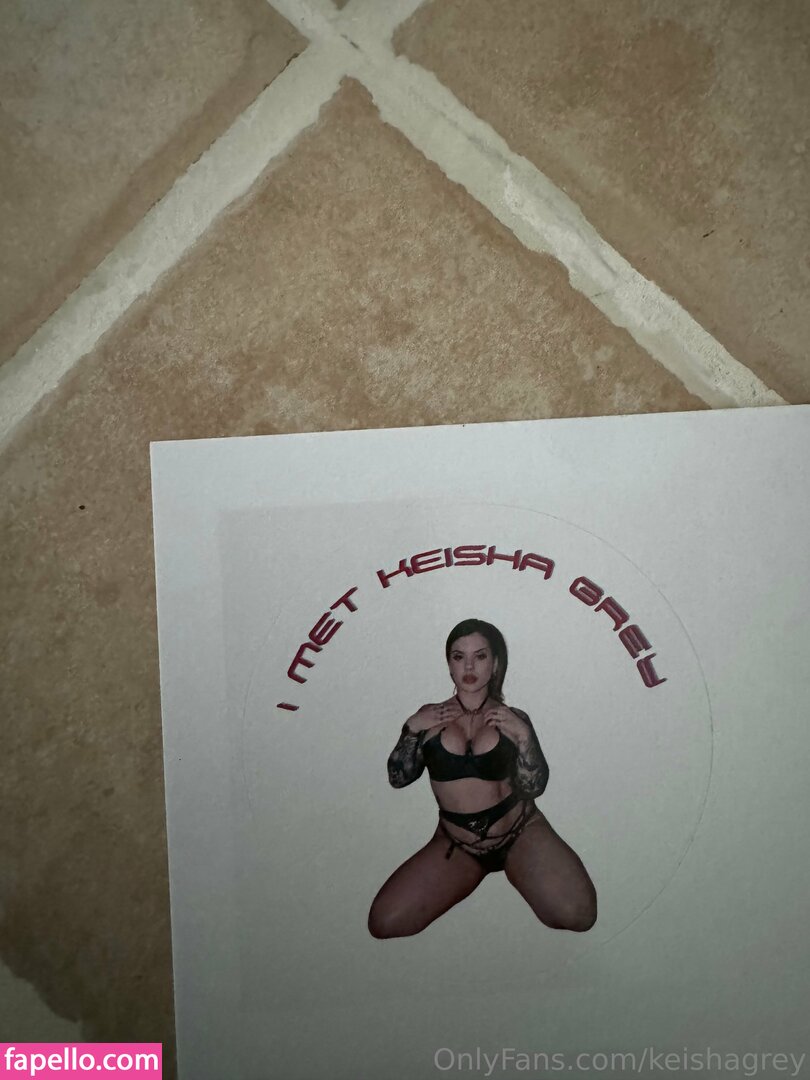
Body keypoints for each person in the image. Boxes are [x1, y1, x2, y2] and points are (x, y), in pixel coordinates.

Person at [368, 618, 597, 938]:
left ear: (495, 664)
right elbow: (398, 778)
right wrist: (411, 728)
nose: (469, 666)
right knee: (384, 923)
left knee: (578, 914)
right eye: (458, 656)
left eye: (480, 656)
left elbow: (534, 786)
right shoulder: (429, 716)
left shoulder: (514, 718)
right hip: (457, 844)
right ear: (449, 664)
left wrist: (524, 737)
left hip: (520, 832)